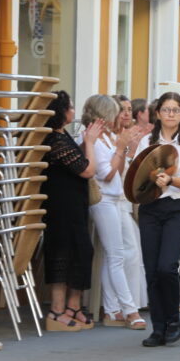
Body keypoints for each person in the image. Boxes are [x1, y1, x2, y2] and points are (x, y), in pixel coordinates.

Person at [136, 92, 180, 347]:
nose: (171, 114)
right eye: (166, 109)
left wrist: (171, 180)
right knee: (151, 270)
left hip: (177, 209)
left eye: (176, 110)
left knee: (167, 267)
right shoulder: (146, 142)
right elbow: (136, 180)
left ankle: (173, 320)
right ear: (157, 113)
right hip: (151, 208)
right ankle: (158, 328)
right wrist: (151, 180)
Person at [83, 95, 147, 331]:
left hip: (114, 199)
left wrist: (124, 150)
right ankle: (129, 310)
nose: (116, 117)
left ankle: (113, 308)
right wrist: (121, 149)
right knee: (117, 255)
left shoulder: (107, 138)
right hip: (103, 200)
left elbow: (117, 170)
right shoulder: (94, 139)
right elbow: (107, 174)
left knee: (117, 255)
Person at [42, 90, 102, 332]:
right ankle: (57, 311)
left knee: (79, 253)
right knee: (62, 255)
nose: (74, 111)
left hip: (71, 205)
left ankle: (72, 307)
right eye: (71, 107)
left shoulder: (60, 135)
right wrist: (90, 143)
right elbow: (87, 170)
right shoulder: (54, 140)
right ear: (61, 112)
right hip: (61, 207)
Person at [112, 95, 148, 312]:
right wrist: (128, 151)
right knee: (129, 252)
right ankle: (123, 305)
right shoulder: (112, 138)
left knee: (135, 251)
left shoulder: (131, 136)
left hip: (129, 200)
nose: (127, 114)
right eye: (121, 109)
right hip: (115, 199)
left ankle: (135, 301)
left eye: (128, 109)